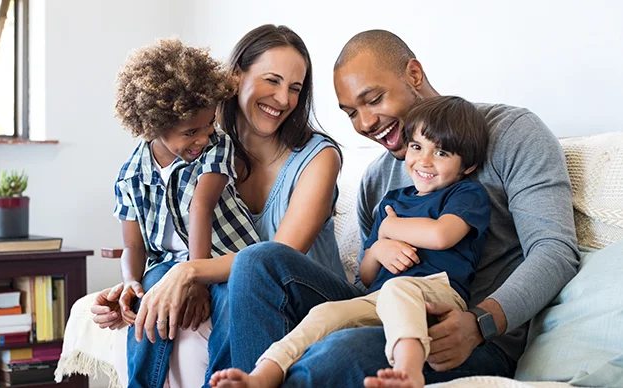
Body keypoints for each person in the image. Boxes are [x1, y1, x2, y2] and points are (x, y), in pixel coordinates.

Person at [225, 29, 580, 386]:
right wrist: (379, 249)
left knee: (337, 353)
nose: (365, 124)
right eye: (351, 113)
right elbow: (369, 280)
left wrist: (480, 323)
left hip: (465, 333)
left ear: (413, 75)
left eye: (374, 99)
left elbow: (554, 251)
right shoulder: (377, 179)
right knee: (257, 261)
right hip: (386, 309)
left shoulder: (512, 133)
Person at [91, 24, 347, 387]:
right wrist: (134, 288)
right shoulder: (203, 148)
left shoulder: (318, 158)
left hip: (307, 296)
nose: (284, 99)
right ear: (235, 76)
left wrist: (190, 272)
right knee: (161, 283)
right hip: (239, 285)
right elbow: (163, 235)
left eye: (295, 88)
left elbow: (278, 257)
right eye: (272, 80)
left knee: (249, 269)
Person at [210, 95, 491, 388]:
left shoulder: (465, 194)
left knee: (399, 288)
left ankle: (409, 372)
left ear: (468, 165)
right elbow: (367, 276)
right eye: (417, 147)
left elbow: (441, 235)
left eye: (442, 153)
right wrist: (379, 246)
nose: (424, 161)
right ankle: (263, 375)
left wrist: (390, 228)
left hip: (438, 295)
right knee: (325, 313)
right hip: (379, 298)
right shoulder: (392, 201)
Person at [110, 38, 262, 388]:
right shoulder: (130, 176)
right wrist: (132, 281)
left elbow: (201, 206)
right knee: (151, 296)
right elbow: (133, 246)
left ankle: (223, 381)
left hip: (228, 258)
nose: (202, 137)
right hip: (167, 264)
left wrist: (195, 278)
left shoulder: (216, 145)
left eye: (208, 124)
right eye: (190, 132)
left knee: (230, 301)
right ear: (153, 125)